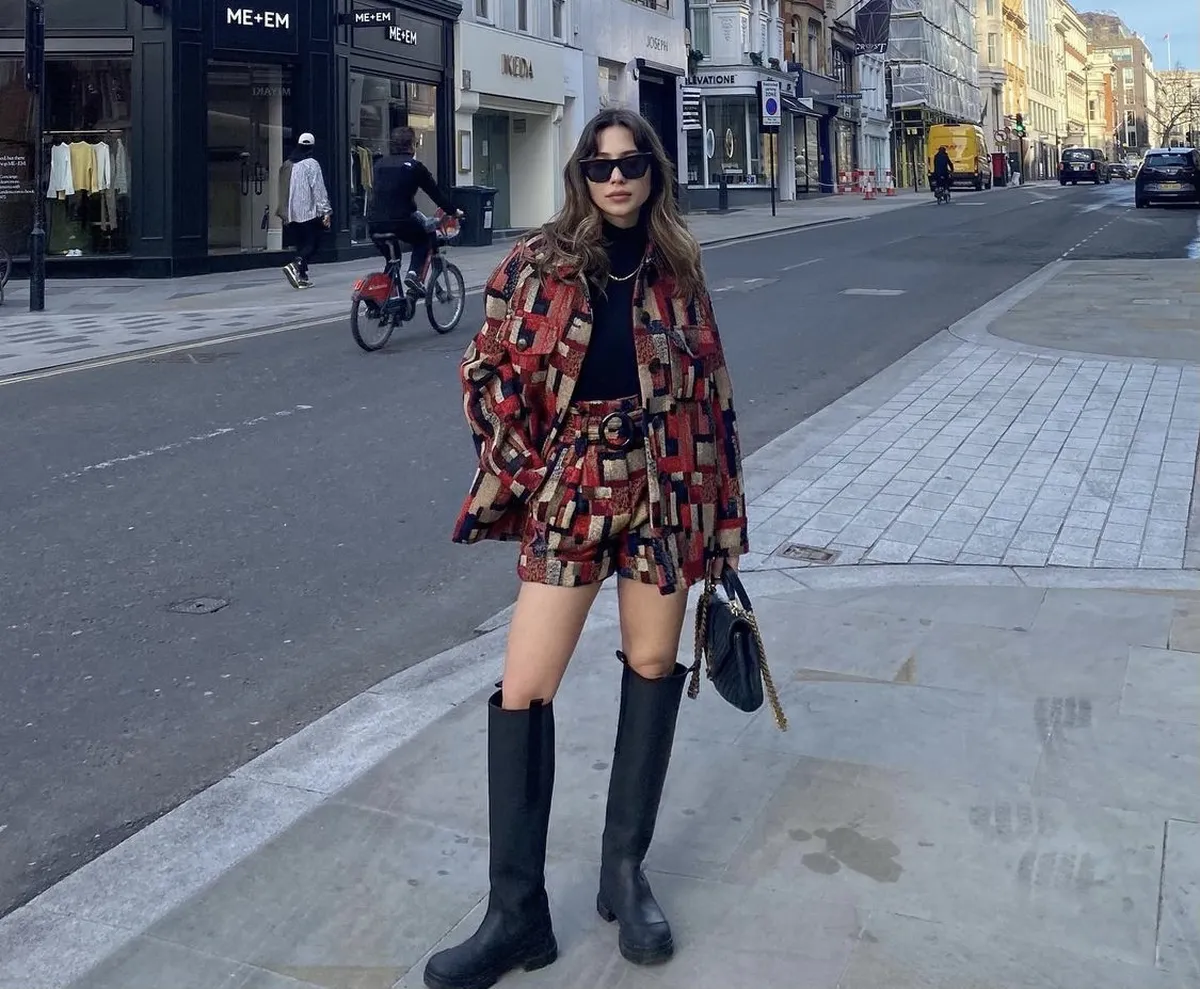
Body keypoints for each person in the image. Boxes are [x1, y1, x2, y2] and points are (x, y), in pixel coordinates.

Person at [428, 107, 747, 989]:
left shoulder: (680, 268)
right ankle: (515, 913)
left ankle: (623, 873)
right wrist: (532, 472)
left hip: (667, 484)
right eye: (600, 165)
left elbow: (715, 398)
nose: (615, 178)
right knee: (525, 687)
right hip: (573, 485)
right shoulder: (539, 264)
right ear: (580, 174)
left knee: (652, 664)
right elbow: (485, 372)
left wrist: (724, 526)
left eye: (631, 162)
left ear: (653, 172)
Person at [368, 126, 457, 297]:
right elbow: (435, 194)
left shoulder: (379, 164)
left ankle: (386, 301)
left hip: (374, 223)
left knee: (393, 261)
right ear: (411, 145)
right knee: (423, 239)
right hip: (400, 220)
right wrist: (453, 211)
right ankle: (413, 275)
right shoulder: (415, 167)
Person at [280, 133, 331, 289]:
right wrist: (326, 211)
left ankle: (302, 276)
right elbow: (318, 189)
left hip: (291, 212)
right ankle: (296, 265)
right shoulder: (311, 163)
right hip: (308, 212)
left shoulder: (288, 164)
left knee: (301, 244)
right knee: (313, 244)